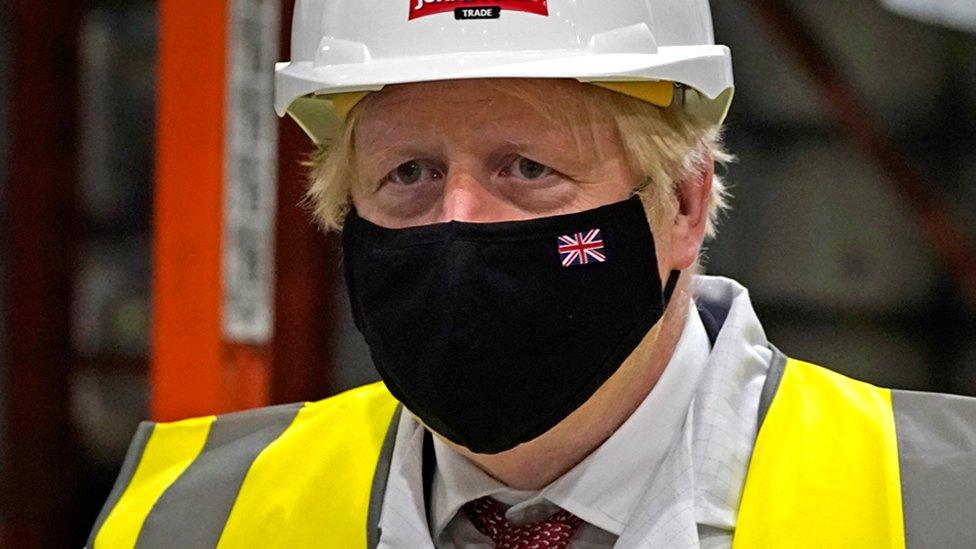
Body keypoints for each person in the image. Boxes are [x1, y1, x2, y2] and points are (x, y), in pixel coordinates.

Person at [88, 1, 976, 547]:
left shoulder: (944, 504)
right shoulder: (191, 517)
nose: (459, 221)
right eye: (409, 174)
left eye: (525, 168)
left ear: (681, 206)